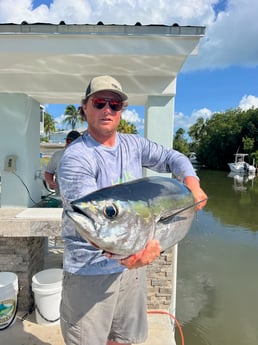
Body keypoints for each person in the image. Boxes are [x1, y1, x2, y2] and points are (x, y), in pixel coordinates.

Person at [58, 75, 207, 345]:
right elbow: (92, 223)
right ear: (84, 107)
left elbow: (173, 157)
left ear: (121, 110)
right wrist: (136, 250)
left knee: (127, 339)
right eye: (99, 102)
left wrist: (192, 183)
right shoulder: (76, 158)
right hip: (89, 274)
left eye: (114, 104)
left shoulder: (133, 144)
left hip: (131, 268)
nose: (107, 109)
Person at [44, 130, 81, 196]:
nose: (69, 143)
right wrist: (50, 182)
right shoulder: (57, 155)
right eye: (68, 141)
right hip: (61, 197)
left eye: (73, 142)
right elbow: (48, 172)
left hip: (80, 196)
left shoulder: (87, 156)